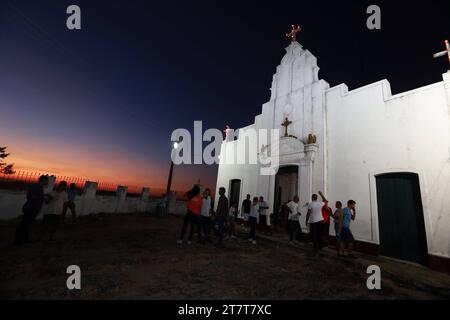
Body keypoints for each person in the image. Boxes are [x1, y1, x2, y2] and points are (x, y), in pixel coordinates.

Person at [14, 175, 49, 245]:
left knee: (27, 224)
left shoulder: (37, 186)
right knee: (24, 224)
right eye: (47, 181)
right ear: (43, 180)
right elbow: (33, 197)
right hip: (31, 208)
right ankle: (18, 241)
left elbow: (29, 196)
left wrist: (42, 197)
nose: (47, 182)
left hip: (31, 207)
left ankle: (24, 239)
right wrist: (43, 198)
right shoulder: (37, 187)